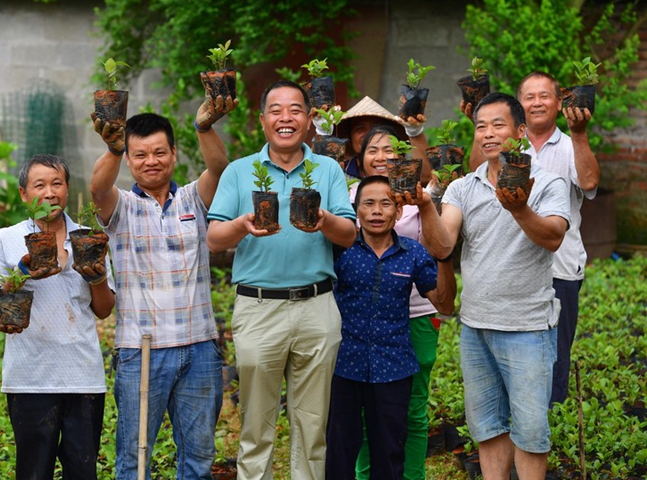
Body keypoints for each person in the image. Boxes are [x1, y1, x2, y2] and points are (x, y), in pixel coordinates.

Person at [206, 79, 358, 480]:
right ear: (262, 121)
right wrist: (241, 223)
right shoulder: (241, 173)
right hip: (258, 308)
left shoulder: (327, 170)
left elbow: (350, 234)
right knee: (256, 423)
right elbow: (214, 237)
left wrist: (323, 219)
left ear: (309, 120)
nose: (285, 118)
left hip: (316, 307)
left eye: (295, 110)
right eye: (276, 110)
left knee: (312, 425)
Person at [418, 92, 570, 480]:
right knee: (487, 426)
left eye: (498, 125)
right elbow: (443, 245)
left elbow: (553, 237)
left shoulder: (547, 183)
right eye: (480, 126)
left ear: (520, 131)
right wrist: (424, 208)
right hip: (476, 327)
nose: (488, 133)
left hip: (527, 326)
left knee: (532, 431)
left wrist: (519, 208)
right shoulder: (462, 188)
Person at [89, 93, 234, 479]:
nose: (151, 161)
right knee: (134, 459)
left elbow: (220, 169)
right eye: (140, 155)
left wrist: (204, 127)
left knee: (199, 458)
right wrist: (114, 149)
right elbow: (98, 190)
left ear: (173, 153)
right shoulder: (121, 207)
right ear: (130, 161)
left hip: (199, 347)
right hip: (141, 350)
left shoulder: (193, 198)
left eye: (159, 152)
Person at [0, 153, 115, 479]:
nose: (49, 192)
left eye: (57, 183)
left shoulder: (89, 237)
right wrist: (21, 274)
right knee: (33, 471)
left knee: (82, 470)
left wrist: (97, 278)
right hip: (29, 376)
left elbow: (104, 309)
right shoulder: (6, 239)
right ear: (23, 194)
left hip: (82, 374)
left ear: (68, 189)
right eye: (40, 184)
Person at [326, 175, 456, 480]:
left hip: (394, 367)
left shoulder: (413, 253)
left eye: (386, 203)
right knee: (340, 451)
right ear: (355, 210)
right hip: (344, 365)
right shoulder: (339, 251)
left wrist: (445, 257)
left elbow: (445, 304)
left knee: (389, 452)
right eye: (368, 204)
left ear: (398, 212)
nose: (376, 211)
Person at [517, 71, 599, 404]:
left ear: (560, 101)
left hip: (560, 269)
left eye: (544, 95)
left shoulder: (570, 146)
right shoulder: (511, 148)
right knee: (515, 352)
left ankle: (550, 435)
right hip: (514, 266)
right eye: (529, 96)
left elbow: (590, 183)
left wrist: (579, 135)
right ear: (519, 103)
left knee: (554, 356)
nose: (537, 102)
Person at [338, 96, 428, 183]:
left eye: (375, 127)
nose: (369, 135)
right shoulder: (339, 172)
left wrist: (414, 131)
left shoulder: (402, 168)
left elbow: (425, 178)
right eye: (360, 129)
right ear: (349, 137)